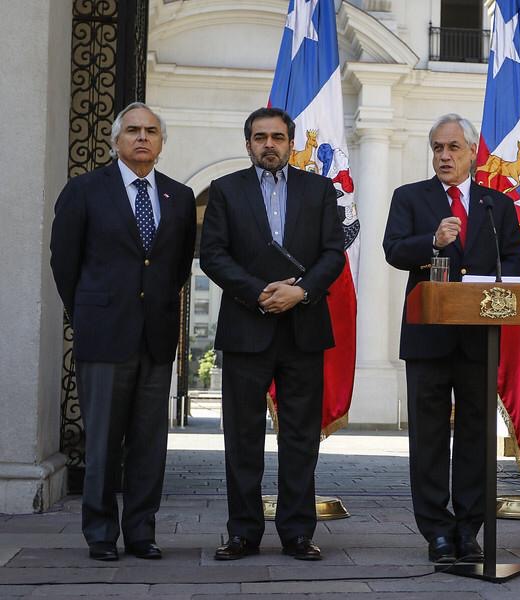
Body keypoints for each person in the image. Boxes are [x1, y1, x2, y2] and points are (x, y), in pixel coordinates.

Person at [50, 102, 196, 561]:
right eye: (132, 130)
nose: (141, 137)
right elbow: (64, 263)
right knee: (103, 442)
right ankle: (99, 533)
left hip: (154, 337)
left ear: (161, 141)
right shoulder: (84, 191)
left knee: (149, 444)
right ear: (116, 140)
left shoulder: (179, 196)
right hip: (104, 334)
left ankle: (140, 532)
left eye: (151, 130)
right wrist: (88, 312)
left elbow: (176, 268)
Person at [199, 107, 345, 561]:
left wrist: (299, 292)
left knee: (300, 438)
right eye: (260, 137)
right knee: (243, 437)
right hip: (247, 328)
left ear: (290, 142)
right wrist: (261, 292)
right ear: (248, 145)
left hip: (303, 329)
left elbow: (333, 254)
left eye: (277, 137)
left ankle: (297, 533)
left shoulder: (320, 190)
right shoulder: (225, 191)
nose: (269, 144)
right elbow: (214, 256)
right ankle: (243, 532)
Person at [382, 113, 520, 563]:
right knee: (428, 437)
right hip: (428, 337)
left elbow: (513, 261)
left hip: (479, 337)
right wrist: (433, 241)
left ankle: (469, 527)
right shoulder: (411, 197)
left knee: (476, 436)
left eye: (454, 148)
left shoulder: (494, 204)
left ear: (471, 153)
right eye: (438, 148)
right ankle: (436, 531)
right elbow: (394, 250)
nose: (444, 155)